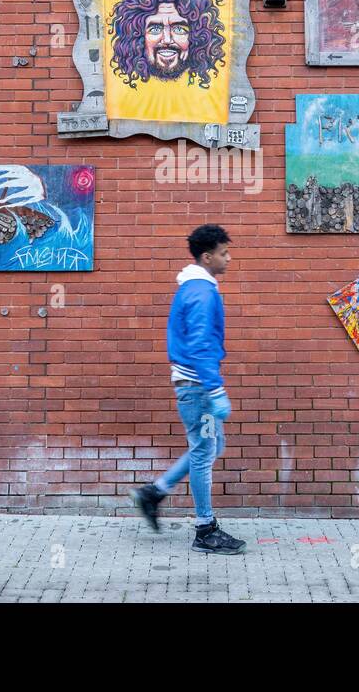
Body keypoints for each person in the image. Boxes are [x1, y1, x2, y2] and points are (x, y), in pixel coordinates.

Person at [130, 224, 245, 555]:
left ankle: (154, 492)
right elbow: (200, 344)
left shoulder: (196, 287)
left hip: (194, 386)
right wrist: (215, 389)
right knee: (205, 451)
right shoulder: (201, 293)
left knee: (209, 446)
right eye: (224, 253)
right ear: (207, 257)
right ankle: (205, 530)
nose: (229, 258)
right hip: (198, 389)